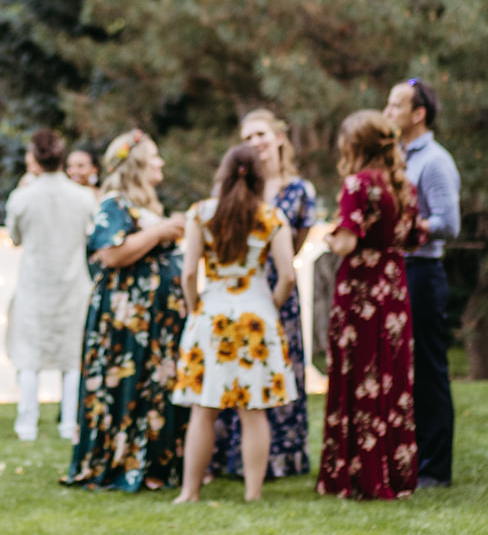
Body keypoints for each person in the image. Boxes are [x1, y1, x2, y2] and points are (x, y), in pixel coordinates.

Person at [172, 144, 299, 504]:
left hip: (212, 313)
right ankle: (252, 493)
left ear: (222, 175)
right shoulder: (272, 217)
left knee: (203, 408)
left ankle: (190, 492)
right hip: (255, 315)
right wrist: (270, 305)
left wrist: (196, 306)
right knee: (253, 409)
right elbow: (288, 275)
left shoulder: (200, 214)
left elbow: (189, 272)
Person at [64, 130, 188, 492]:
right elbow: (111, 253)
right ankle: (121, 461)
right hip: (125, 319)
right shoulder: (113, 203)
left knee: (153, 386)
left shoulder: (145, 205)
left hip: (153, 319)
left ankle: (152, 463)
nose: (161, 162)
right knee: (128, 384)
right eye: (155, 157)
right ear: (136, 165)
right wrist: (161, 231)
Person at [318, 111, 421, 500]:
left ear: (355, 145)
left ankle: (358, 474)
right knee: (391, 376)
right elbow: (414, 237)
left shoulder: (357, 184)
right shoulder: (403, 185)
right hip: (393, 288)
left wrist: (327, 239)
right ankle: (395, 473)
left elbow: (345, 242)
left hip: (361, 288)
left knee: (360, 373)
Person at [210, 110, 316, 481]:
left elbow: (296, 246)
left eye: (261, 134)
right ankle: (229, 457)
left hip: (277, 292)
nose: (255, 142)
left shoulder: (299, 191)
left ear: (279, 137)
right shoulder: (230, 189)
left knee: (276, 372)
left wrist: (274, 294)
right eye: (247, 137)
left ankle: (281, 458)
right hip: (236, 291)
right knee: (233, 371)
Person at [384, 78, 460, 487]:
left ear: (419, 113)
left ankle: (435, 469)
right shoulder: (395, 157)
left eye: (396, 105)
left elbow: (449, 223)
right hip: (397, 272)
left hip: (423, 275)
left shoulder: (435, 161)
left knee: (428, 370)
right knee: (401, 371)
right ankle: (408, 461)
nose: (387, 111)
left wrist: (402, 229)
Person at [5, 129, 96, 443]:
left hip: (36, 284)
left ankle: (26, 424)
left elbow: (14, 237)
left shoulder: (22, 196)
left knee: (29, 354)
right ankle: (69, 423)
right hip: (73, 283)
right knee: (73, 358)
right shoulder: (84, 197)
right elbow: (91, 236)